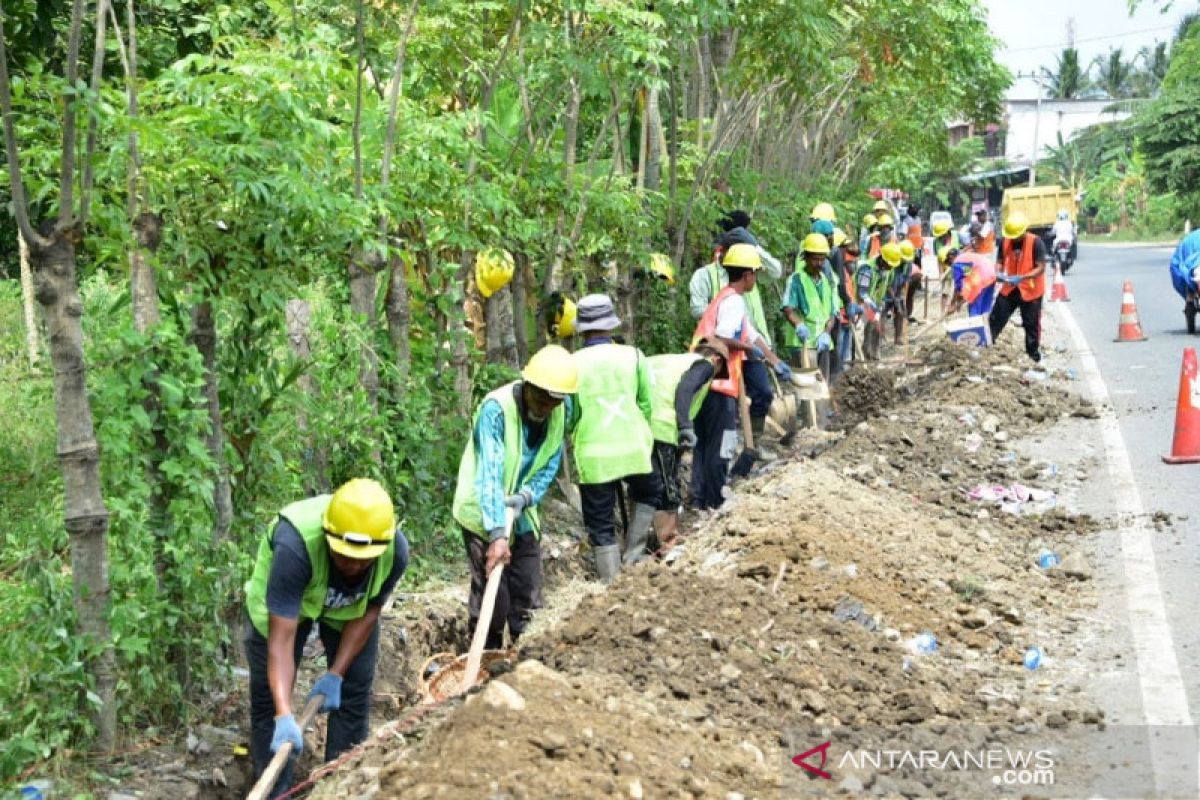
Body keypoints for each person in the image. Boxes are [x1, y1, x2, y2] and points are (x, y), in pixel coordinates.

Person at [244, 478, 409, 798]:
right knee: (268, 701)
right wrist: (283, 714)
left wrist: (335, 675)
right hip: (282, 610)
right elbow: (282, 638)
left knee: (353, 691)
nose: (353, 565)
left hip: (347, 610)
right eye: (345, 556)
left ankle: (340, 787)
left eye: (363, 560)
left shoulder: (395, 553)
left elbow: (369, 612)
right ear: (328, 536)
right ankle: (277, 792)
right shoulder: (295, 546)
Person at [452, 345, 577, 650]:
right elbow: (490, 474)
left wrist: (527, 495)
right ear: (527, 386)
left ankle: (528, 662)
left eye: (553, 402)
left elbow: (549, 461)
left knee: (528, 594)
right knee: (493, 602)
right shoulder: (496, 410)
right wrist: (496, 533)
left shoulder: (562, 411)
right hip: (482, 511)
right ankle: (486, 659)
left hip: (521, 514)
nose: (545, 407)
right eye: (540, 398)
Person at [569, 294, 659, 581]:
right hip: (633, 446)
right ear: (610, 326)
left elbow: (569, 414)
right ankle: (634, 556)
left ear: (582, 329)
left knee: (600, 520)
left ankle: (610, 582)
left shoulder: (572, 364)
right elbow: (647, 402)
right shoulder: (633, 356)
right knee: (648, 492)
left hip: (594, 456)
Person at [693, 243, 793, 462]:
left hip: (719, 374)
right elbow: (722, 337)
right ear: (748, 275)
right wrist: (748, 348)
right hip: (718, 376)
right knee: (724, 428)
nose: (756, 280)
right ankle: (722, 473)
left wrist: (773, 360)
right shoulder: (733, 301)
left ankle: (741, 453)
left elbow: (750, 332)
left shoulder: (729, 296)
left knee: (755, 400)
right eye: (755, 274)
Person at [645, 339, 729, 550]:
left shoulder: (664, 361)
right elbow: (685, 390)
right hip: (661, 428)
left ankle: (642, 543)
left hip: (638, 426)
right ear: (717, 359)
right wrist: (684, 426)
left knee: (644, 487)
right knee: (668, 488)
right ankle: (667, 544)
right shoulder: (705, 364)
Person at [688, 210, 783, 320]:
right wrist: (727, 313)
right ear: (723, 249)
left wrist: (755, 247)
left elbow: (776, 271)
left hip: (754, 336)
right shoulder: (704, 275)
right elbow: (697, 310)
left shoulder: (749, 270)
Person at [988, 212, 1048, 362]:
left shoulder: (1036, 242)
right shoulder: (1005, 241)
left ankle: (1033, 356)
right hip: (1011, 287)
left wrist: (1023, 277)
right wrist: (999, 272)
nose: (1013, 239)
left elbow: (1041, 267)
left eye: (1016, 236)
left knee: (1031, 324)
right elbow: (1000, 260)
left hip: (1030, 289)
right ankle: (987, 345)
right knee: (997, 316)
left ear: (1023, 232)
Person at [783, 233, 841, 383]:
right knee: (807, 388)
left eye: (822, 259)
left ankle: (823, 407)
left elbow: (832, 312)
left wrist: (827, 333)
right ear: (806, 258)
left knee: (822, 384)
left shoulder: (826, 281)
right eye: (815, 259)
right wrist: (799, 325)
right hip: (803, 343)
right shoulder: (796, 279)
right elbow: (788, 309)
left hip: (822, 342)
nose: (819, 263)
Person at [943, 246, 997, 318]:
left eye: (949, 262)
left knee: (974, 306)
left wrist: (953, 304)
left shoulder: (956, 262)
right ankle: (985, 326)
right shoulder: (966, 257)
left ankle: (975, 326)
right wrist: (958, 302)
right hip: (992, 274)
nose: (951, 265)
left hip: (981, 276)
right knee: (985, 308)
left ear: (951, 257)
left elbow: (958, 286)